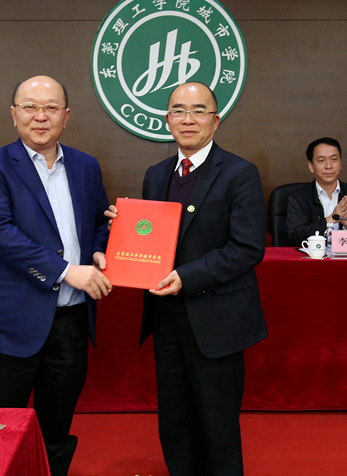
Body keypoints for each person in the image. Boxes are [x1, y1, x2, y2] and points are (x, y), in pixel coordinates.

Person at [107, 82, 266, 475]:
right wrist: (123, 232)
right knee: (175, 420)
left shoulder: (240, 173)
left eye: (198, 111)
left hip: (215, 322)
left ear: (216, 120)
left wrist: (186, 276)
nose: (188, 119)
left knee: (217, 422)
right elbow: (153, 238)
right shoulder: (156, 174)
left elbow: (247, 248)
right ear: (167, 119)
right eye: (179, 110)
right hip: (167, 319)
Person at [0, 75, 111, 476]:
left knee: (57, 428)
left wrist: (99, 249)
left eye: (51, 107)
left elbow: (99, 222)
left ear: (66, 116)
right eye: (30, 106)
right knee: (2, 427)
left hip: (70, 322)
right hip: (13, 322)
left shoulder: (85, 166)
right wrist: (67, 272)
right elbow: (1, 234)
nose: (40, 116)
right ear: (13, 114)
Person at [286, 137, 347, 246]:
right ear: (311, 166)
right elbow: (295, 236)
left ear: (340, 163)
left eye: (334, 159)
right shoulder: (298, 198)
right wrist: (329, 220)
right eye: (321, 160)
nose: (329, 166)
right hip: (313, 255)